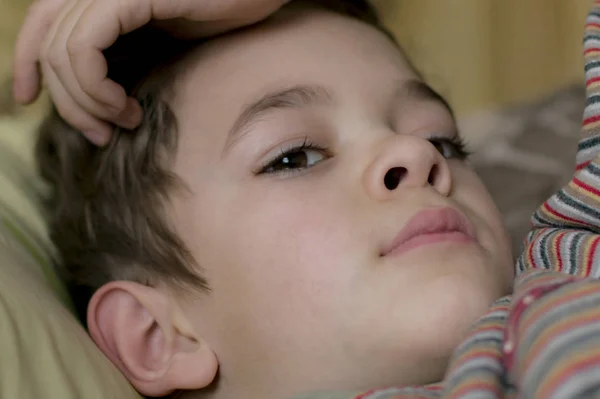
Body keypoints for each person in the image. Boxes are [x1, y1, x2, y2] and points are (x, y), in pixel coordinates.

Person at [16, 0, 600, 398]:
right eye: (296, 157)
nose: (412, 155)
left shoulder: (568, 267)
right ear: (157, 335)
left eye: (441, 140)